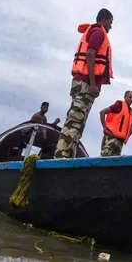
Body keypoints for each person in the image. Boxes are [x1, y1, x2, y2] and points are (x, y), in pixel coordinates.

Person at [54, 8, 114, 158]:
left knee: (76, 122)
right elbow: (90, 54)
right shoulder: (99, 32)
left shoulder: (95, 31)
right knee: (75, 122)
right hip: (86, 84)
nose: (111, 27)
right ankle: (62, 157)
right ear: (104, 20)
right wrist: (93, 83)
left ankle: (67, 155)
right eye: (110, 23)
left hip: (82, 83)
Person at [100, 91, 132, 156]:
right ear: (125, 97)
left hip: (120, 142)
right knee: (105, 158)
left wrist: (126, 137)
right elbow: (102, 112)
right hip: (111, 137)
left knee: (114, 163)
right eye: (130, 97)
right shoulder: (119, 105)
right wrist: (105, 128)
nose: (131, 100)